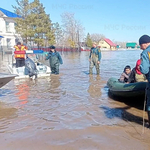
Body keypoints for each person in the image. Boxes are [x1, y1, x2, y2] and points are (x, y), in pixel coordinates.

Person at [139, 35, 150, 128]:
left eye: (140, 45)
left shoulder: (146, 52)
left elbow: (145, 70)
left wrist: (140, 67)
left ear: (145, 43)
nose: (140, 47)